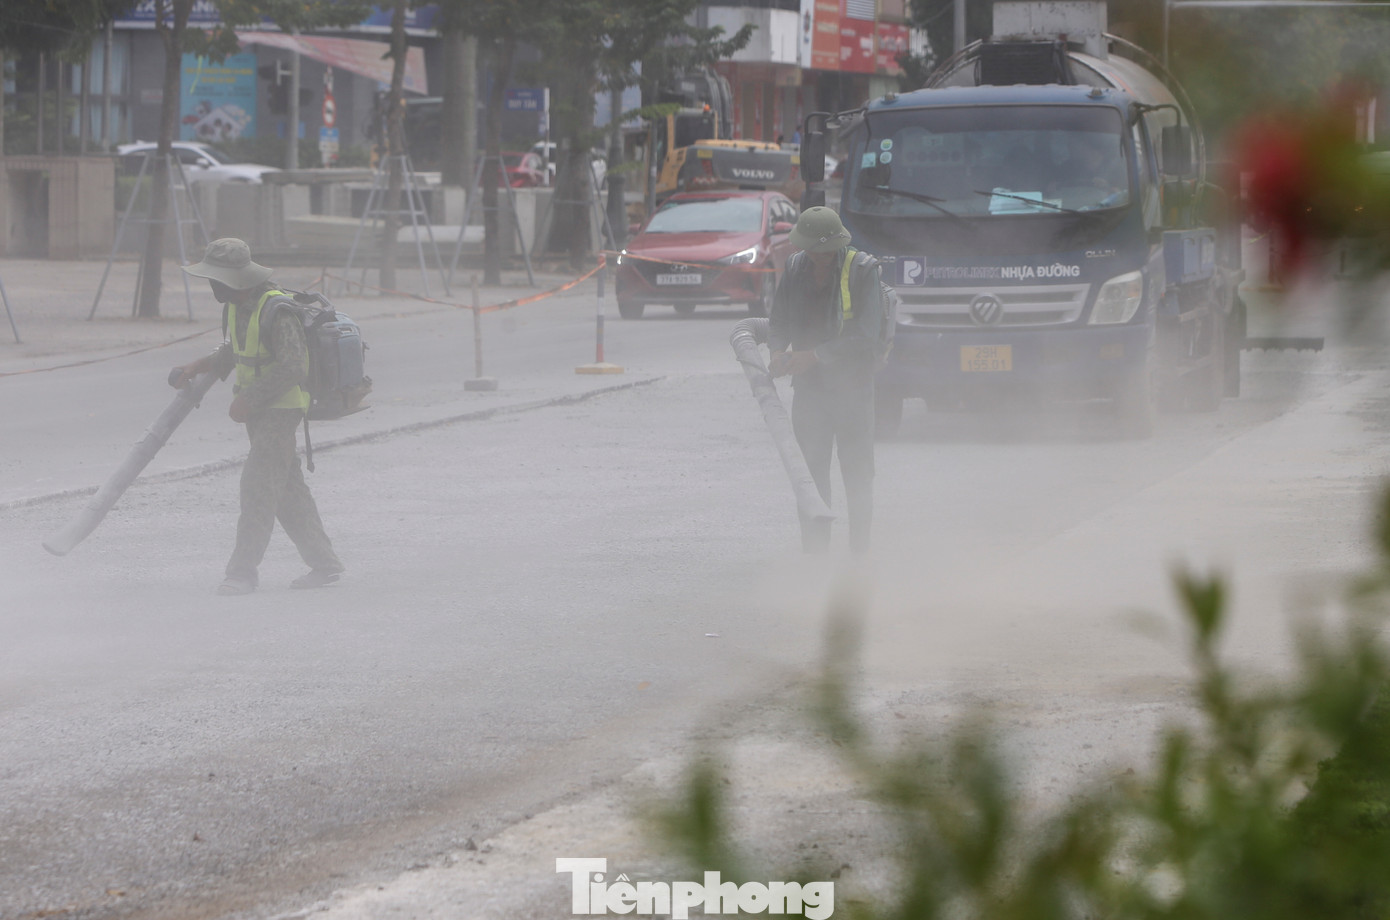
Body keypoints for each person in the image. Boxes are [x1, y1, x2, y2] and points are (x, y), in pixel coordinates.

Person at [170, 238, 345, 596]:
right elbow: (236, 348)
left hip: (281, 409)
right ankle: (325, 564)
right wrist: (200, 366)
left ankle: (242, 572)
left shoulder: (276, 310)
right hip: (260, 411)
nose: (212, 286)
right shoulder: (238, 306)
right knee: (287, 490)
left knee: (257, 485)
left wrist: (249, 398)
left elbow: (294, 366)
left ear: (236, 278)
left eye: (216, 279)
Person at [768, 207, 887, 554]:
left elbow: (868, 337)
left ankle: (859, 556)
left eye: (817, 251)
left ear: (833, 247)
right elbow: (779, 320)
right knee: (811, 477)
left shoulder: (863, 271)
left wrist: (816, 355)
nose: (811, 257)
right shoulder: (795, 267)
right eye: (806, 250)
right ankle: (815, 556)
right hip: (810, 392)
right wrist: (777, 351)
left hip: (853, 390)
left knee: (857, 476)